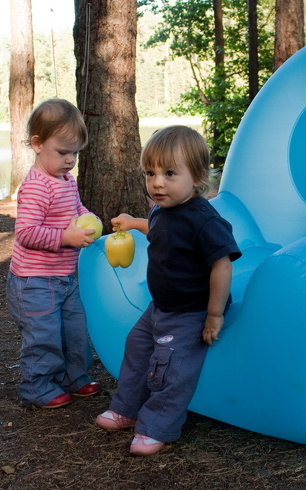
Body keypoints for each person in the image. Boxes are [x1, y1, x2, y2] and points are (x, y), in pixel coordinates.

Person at [95, 125, 241, 455]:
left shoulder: (204, 220)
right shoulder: (163, 211)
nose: (157, 182)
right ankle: (126, 410)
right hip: (160, 307)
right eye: (151, 172)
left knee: (170, 366)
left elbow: (222, 264)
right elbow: (159, 232)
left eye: (170, 173)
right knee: (135, 348)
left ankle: (157, 426)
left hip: (191, 311)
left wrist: (214, 314)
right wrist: (134, 222)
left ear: (198, 176)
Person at [6, 98, 101, 409]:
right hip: (34, 281)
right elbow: (26, 233)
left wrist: (91, 219)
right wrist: (66, 237)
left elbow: (76, 210)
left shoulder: (66, 180)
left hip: (64, 277)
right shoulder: (36, 187)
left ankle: (73, 376)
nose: (70, 160)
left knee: (74, 330)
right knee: (43, 336)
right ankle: (37, 385)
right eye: (63, 152)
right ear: (37, 144)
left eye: (74, 153)